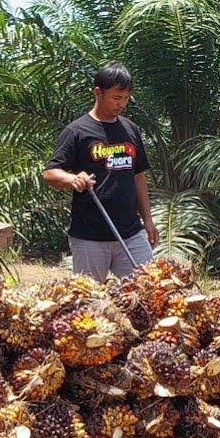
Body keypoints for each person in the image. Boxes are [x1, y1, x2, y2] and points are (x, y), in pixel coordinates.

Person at [43, 61, 159, 281]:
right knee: (90, 301)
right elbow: (50, 173)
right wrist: (71, 179)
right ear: (98, 92)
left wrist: (148, 220)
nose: (122, 104)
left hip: (131, 233)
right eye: (116, 98)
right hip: (90, 237)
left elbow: (139, 176)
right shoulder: (76, 131)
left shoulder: (130, 129)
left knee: (148, 290)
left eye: (126, 98)